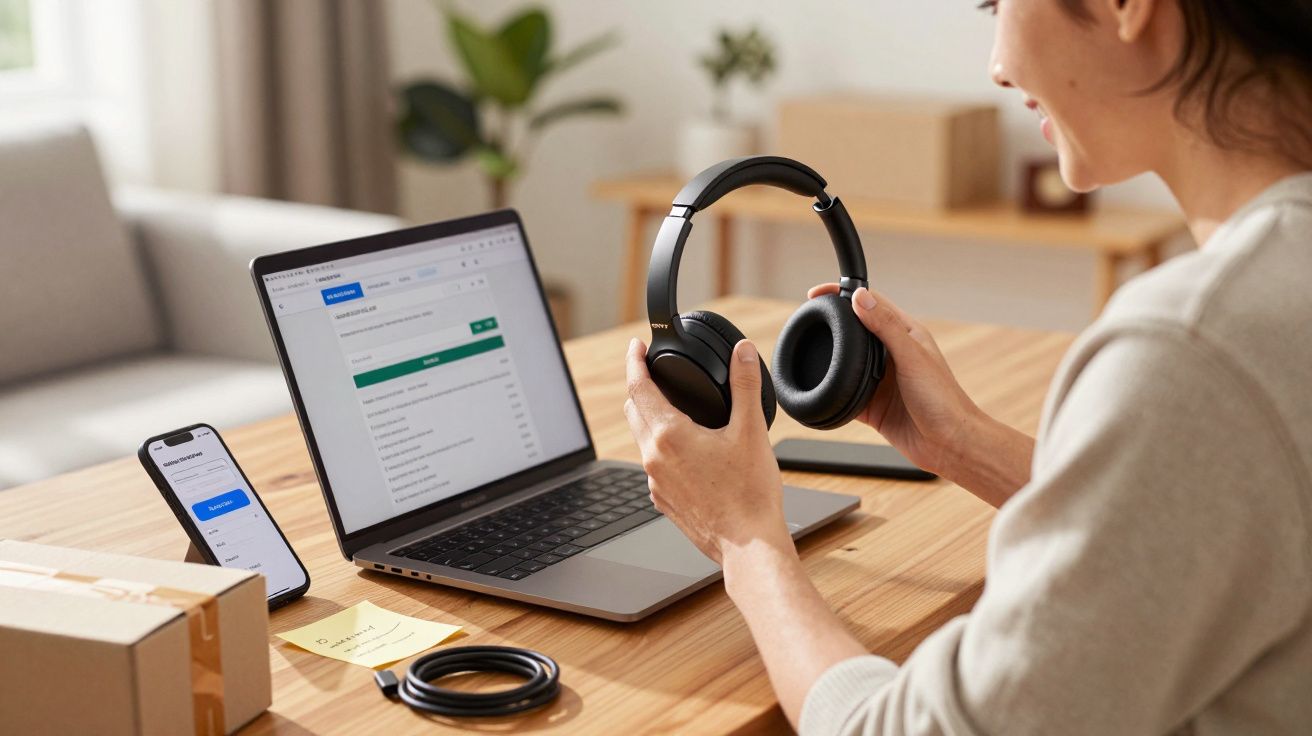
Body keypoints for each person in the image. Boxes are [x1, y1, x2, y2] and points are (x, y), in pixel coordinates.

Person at [622, 1, 1312, 733]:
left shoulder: (1192, 351)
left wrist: (745, 539)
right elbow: (1201, 527)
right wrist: (963, 443)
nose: (998, 65)